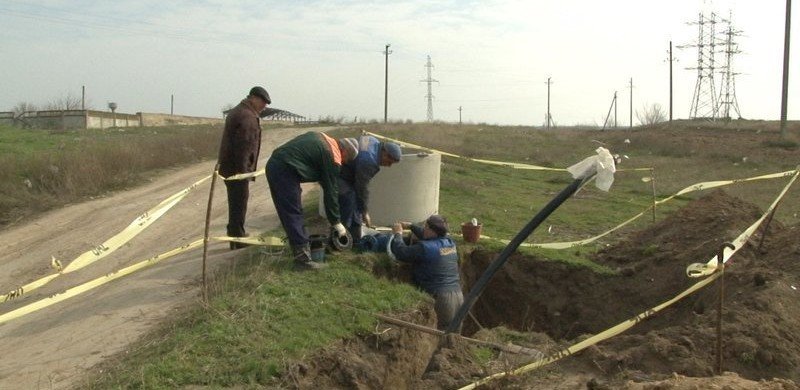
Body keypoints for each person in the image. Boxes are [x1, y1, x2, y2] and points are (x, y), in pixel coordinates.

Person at [266, 132, 359, 271]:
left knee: (289, 212)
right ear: (344, 151)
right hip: (285, 170)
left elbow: (323, 179)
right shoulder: (334, 157)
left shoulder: (323, 138)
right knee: (293, 213)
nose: (343, 163)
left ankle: (299, 251)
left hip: (276, 163)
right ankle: (303, 262)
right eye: (346, 160)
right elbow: (331, 191)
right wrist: (336, 222)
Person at [218, 86, 270, 250]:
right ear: (253, 98)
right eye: (263, 102)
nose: (264, 106)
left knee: (236, 204)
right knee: (239, 204)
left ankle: (236, 234)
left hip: (230, 168)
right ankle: (237, 239)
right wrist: (243, 173)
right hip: (237, 171)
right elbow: (244, 148)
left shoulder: (238, 111)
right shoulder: (247, 116)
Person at [390, 215, 464, 330]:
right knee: (454, 335)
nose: (423, 229)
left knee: (442, 335)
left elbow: (401, 252)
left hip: (442, 299)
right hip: (458, 297)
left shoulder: (424, 248)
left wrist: (398, 234)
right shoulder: (450, 243)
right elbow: (426, 235)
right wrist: (411, 226)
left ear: (432, 230)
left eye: (426, 227)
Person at [338, 135, 402, 240]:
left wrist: (362, 209)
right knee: (348, 200)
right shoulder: (369, 161)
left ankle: (354, 233)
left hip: (346, 168)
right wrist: (365, 212)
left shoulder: (373, 141)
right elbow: (362, 188)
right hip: (338, 173)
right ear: (385, 153)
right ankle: (342, 236)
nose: (388, 166)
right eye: (389, 162)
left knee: (356, 202)